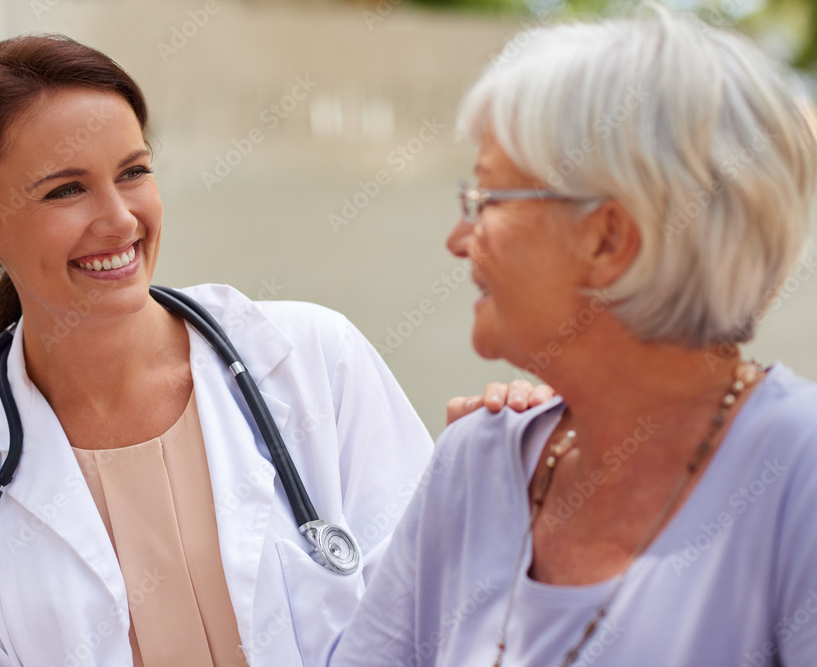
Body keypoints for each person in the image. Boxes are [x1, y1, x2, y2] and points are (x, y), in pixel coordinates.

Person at [0, 35, 545, 667]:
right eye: (66, 189)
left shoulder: (315, 361)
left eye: (133, 171)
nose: (121, 219)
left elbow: (444, 618)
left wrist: (501, 496)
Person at [325, 6, 817, 667]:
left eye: (488, 201)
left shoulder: (797, 477)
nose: (458, 238)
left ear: (608, 238)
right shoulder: (475, 460)